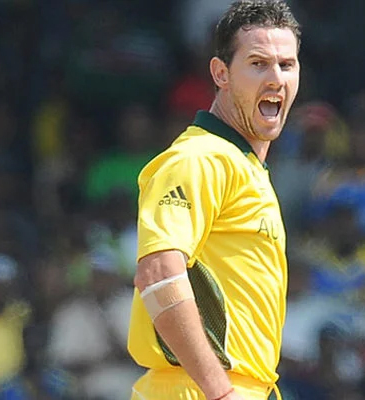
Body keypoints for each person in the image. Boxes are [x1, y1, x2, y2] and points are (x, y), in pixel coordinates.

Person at [127, 1, 301, 399]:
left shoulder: (243, 166)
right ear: (221, 73)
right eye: (258, 64)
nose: (276, 79)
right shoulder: (199, 158)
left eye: (286, 65)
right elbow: (158, 273)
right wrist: (220, 392)